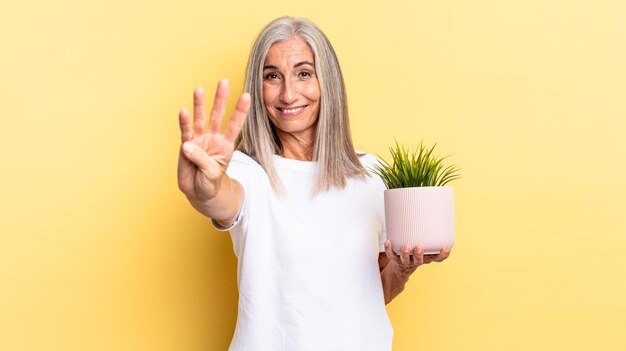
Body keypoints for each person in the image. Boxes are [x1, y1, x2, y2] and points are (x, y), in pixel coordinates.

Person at [177, 16, 451, 351]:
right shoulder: (247, 171)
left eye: (303, 73)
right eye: (272, 76)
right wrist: (204, 190)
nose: (289, 93)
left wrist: (401, 270)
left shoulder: (372, 174)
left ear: (327, 82)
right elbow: (223, 199)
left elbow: (368, 297)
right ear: (257, 87)